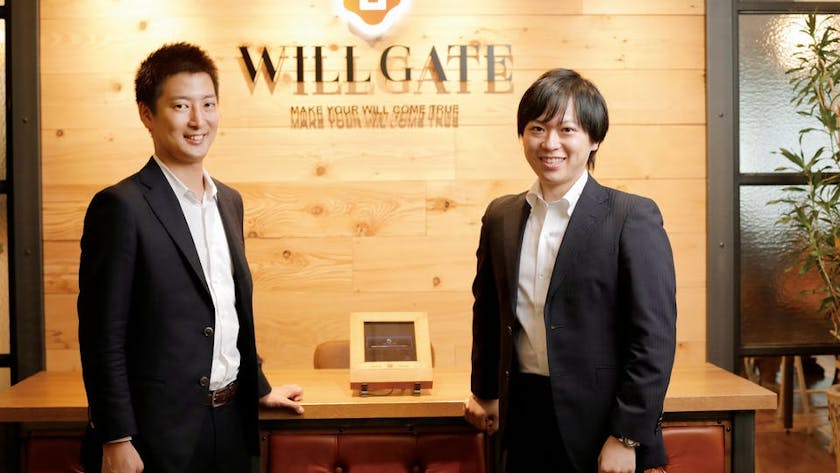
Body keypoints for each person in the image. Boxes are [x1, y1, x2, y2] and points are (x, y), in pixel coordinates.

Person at [77, 42, 304, 473]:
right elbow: (101, 334)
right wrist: (115, 436)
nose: (198, 120)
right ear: (147, 114)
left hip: (231, 425)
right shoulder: (121, 207)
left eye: (208, 104)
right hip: (154, 434)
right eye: (181, 106)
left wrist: (258, 388)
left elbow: (227, 312)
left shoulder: (229, 202)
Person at [464, 68, 677, 473]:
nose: (550, 143)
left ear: (594, 139)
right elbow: (488, 313)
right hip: (521, 417)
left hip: (603, 427)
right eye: (537, 128)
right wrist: (485, 391)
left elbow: (654, 338)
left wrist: (627, 436)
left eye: (567, 130)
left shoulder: (631, 217)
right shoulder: (500, 216)